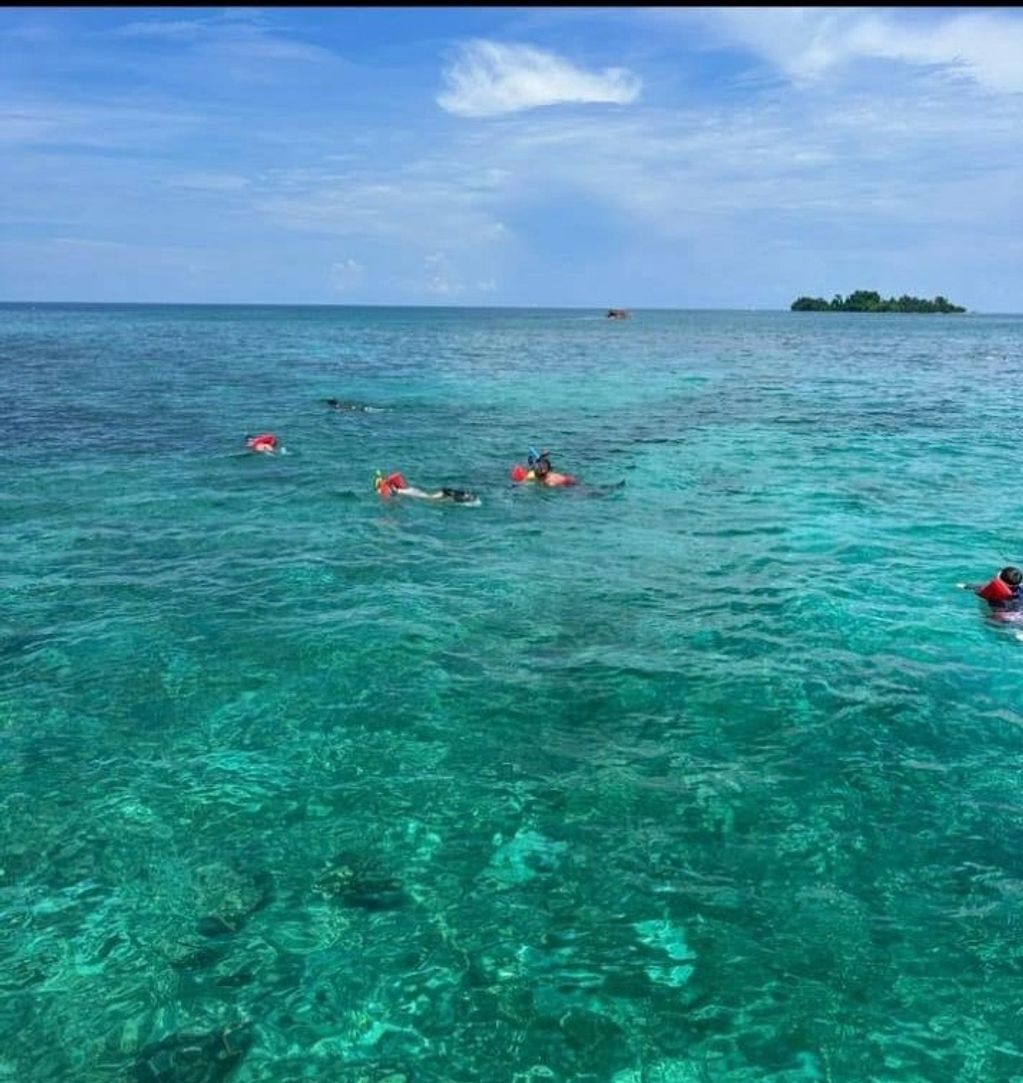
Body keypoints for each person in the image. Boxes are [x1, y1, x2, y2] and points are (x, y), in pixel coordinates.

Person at [374, 471, 479, 505]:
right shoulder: (395, 487)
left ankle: (456, 496)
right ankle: (458, 495)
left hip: (411, 493)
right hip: (412, 490)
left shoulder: (392, 490)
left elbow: (392, 495)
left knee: (431, 499)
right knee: (432, 497)